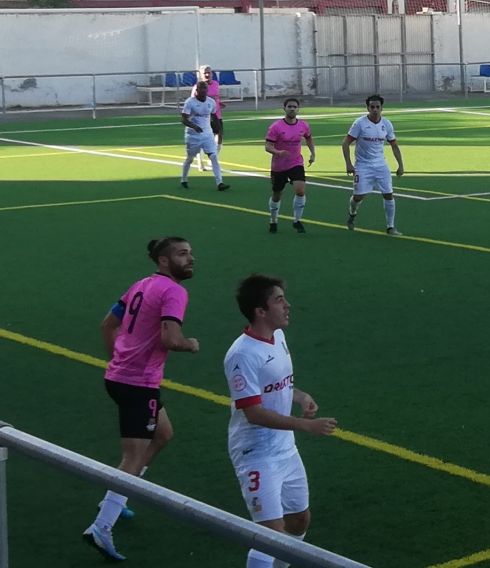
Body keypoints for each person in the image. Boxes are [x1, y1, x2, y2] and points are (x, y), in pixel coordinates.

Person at [83, 237, 200, 561]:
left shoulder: (141, 285)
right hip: (138, 384)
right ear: (163, 261)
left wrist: (117, 360)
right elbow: (170, 338)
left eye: (190, 253)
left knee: (162, 435)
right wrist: (189, 344)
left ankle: (116, 498)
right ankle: (100, 527)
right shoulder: (175, 291)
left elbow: (108, 325)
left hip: (120, 378)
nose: (190, 259)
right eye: (182, 254)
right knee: (132, 457)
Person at [224, 274, 337, 568]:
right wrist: (307, 426)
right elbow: (254, 413)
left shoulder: (278, 337)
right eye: (279, 300)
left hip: (285, 447)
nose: (288, 305)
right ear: (260, 311)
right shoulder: (242, 355)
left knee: (299, 519)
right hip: (255, 453)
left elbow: (279, 384)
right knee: (270, 535)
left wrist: (299, 397)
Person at [342, 94, 405, 236]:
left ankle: (390, 227)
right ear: (368, 108)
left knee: (389, 194)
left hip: (381, 165)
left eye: (377, 107)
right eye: (372, 107)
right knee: (358, 197)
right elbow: (346, 143)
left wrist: (400, 165)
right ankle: (352, 213)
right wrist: (348, 164)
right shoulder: (360, 123)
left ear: (382, 108)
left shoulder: (387, 124)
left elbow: (394, 145)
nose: (375, 110)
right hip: (363, 166)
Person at [265, 98, 316, 234]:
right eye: (289, 106)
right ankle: (273, 220)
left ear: (298, 109)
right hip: (279, 166)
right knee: (277, 194)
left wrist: (312, 153)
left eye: (294, 107)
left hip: (296, 163)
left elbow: (309, 138)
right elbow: (268, 146)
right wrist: (278, 152)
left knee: (300, 190)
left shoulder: (303, 125)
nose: (292, 109)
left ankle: (297, 220)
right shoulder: (276, 127)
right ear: (284, 109)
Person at [180, 81, 230, 191]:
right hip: (193, 135)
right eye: (200, 90)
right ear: (196, 91)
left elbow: (214, 116)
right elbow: (183, 119)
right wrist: (194, 126)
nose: (203, 92)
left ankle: (219, 182)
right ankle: (184, 179)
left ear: (207, 91)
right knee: (190, 158)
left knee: (213, 156)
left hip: (207, 134)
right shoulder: (190, 102)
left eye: (205, 90)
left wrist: (218, 130)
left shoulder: (211, 102)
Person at [192, 65, 225, 172]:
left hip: (216, 114)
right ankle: (200, 162)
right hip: (203, 116)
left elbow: (216, 97)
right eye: (205, 73)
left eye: (209, 72)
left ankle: (212, 158)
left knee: (219, 137)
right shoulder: (198, 86)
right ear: (201, 75)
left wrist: (220, 103)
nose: (207, 74)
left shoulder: (216, 84)